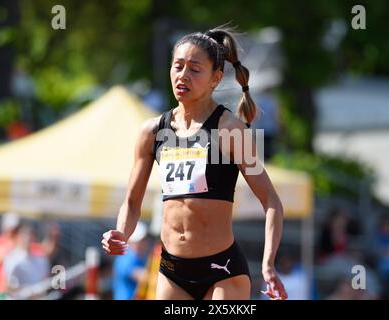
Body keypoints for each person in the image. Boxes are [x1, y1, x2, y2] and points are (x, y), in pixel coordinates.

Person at [102, 25, 287, 300]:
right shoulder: (152, 132)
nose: (183, 76)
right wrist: (121, 233)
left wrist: (268, 264)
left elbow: (271, 201)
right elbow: (131, 203)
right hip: (172, 271)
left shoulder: (231, 130)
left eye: (194, 69)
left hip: (222, 272)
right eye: (178, 66)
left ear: (216, 78)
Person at [112, 221, 150, 300]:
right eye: (139, 241)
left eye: (143, 240)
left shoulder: (144, 257)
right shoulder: (124, 258)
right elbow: (143, 277)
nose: (142, 244)